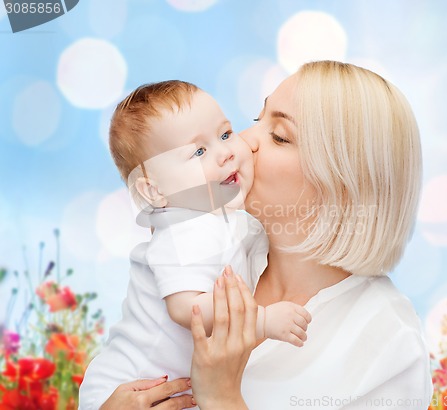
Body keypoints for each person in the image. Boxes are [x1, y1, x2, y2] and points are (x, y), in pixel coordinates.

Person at [102, 60, 433, 409]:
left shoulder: (388, 344)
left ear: (345, 185)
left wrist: (222, 397)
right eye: (257, 120)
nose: (244, 142)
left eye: (279, 136)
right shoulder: (221, 243)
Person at [78, 81, 311, 410]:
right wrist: (263, 321)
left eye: (226, 134)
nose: (226, 152)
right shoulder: (185, 229)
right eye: (198, 152)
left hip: (171, 389)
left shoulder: (222, 217)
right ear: (154, 192)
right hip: (127, 387)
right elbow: (188, 309)